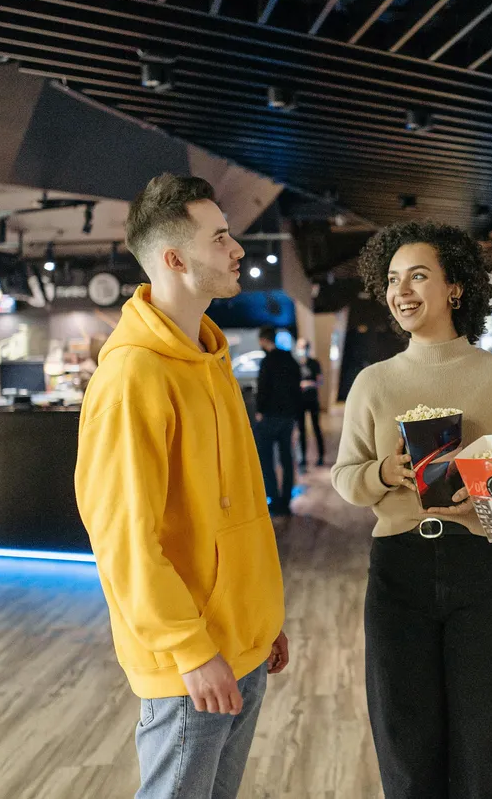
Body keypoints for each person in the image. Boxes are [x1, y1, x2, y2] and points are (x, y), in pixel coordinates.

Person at [75, 173, 289, 799]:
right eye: (220, 237)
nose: (237, 249)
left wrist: (260, 616)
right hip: (191, 666)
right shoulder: (131, 377)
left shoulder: (209, 358)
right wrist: (190, 651)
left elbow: (240, 503)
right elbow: (122, 540)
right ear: (174, 260)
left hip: (241, 648)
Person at [332, 221, 492, 799]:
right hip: (397, 567)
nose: (402, 290)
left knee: (488, 736)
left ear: (455, 288)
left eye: (419, 276)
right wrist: (385, 472)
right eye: (393, 279)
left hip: (480, 565)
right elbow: (345, 479)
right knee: (404, 740)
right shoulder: (373, 384)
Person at [255, 325, 301, 516]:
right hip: (288, 417)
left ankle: (273, 499)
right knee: (286, 458)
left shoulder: (267, 362)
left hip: (270, 416)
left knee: (266, 459)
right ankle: (287, 500)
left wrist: (259, 410)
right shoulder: (290, 360)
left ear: (263, 340)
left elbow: (263, 388)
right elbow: (296, 389)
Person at [295, 339, 327, 469]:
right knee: (301, 430)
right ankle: (303, 458)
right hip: (300, 401)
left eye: (304, 347)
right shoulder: (296, 364)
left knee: (316, 428)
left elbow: (320, 381)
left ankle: (321, 456)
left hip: (312, 400)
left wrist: (309, 384)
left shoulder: (314, 363)